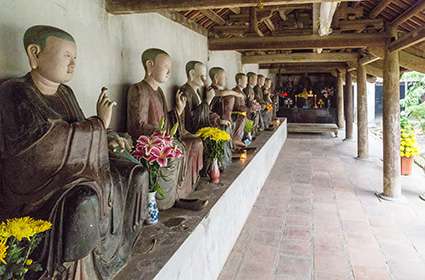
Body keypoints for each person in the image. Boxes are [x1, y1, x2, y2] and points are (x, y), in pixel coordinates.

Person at [0, 25, 149, 279]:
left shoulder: (65, 93)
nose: (72, 65)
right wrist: (98, 125)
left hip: (77, 171)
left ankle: (121, 249)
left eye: (75, 59)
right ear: (35, 54)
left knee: (135, 171)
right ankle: (75, 273)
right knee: (84, 200)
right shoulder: (15, 92)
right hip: (40, 186)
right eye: (67, 56)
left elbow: (79, 128)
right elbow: (43, 149)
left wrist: (108, 136)